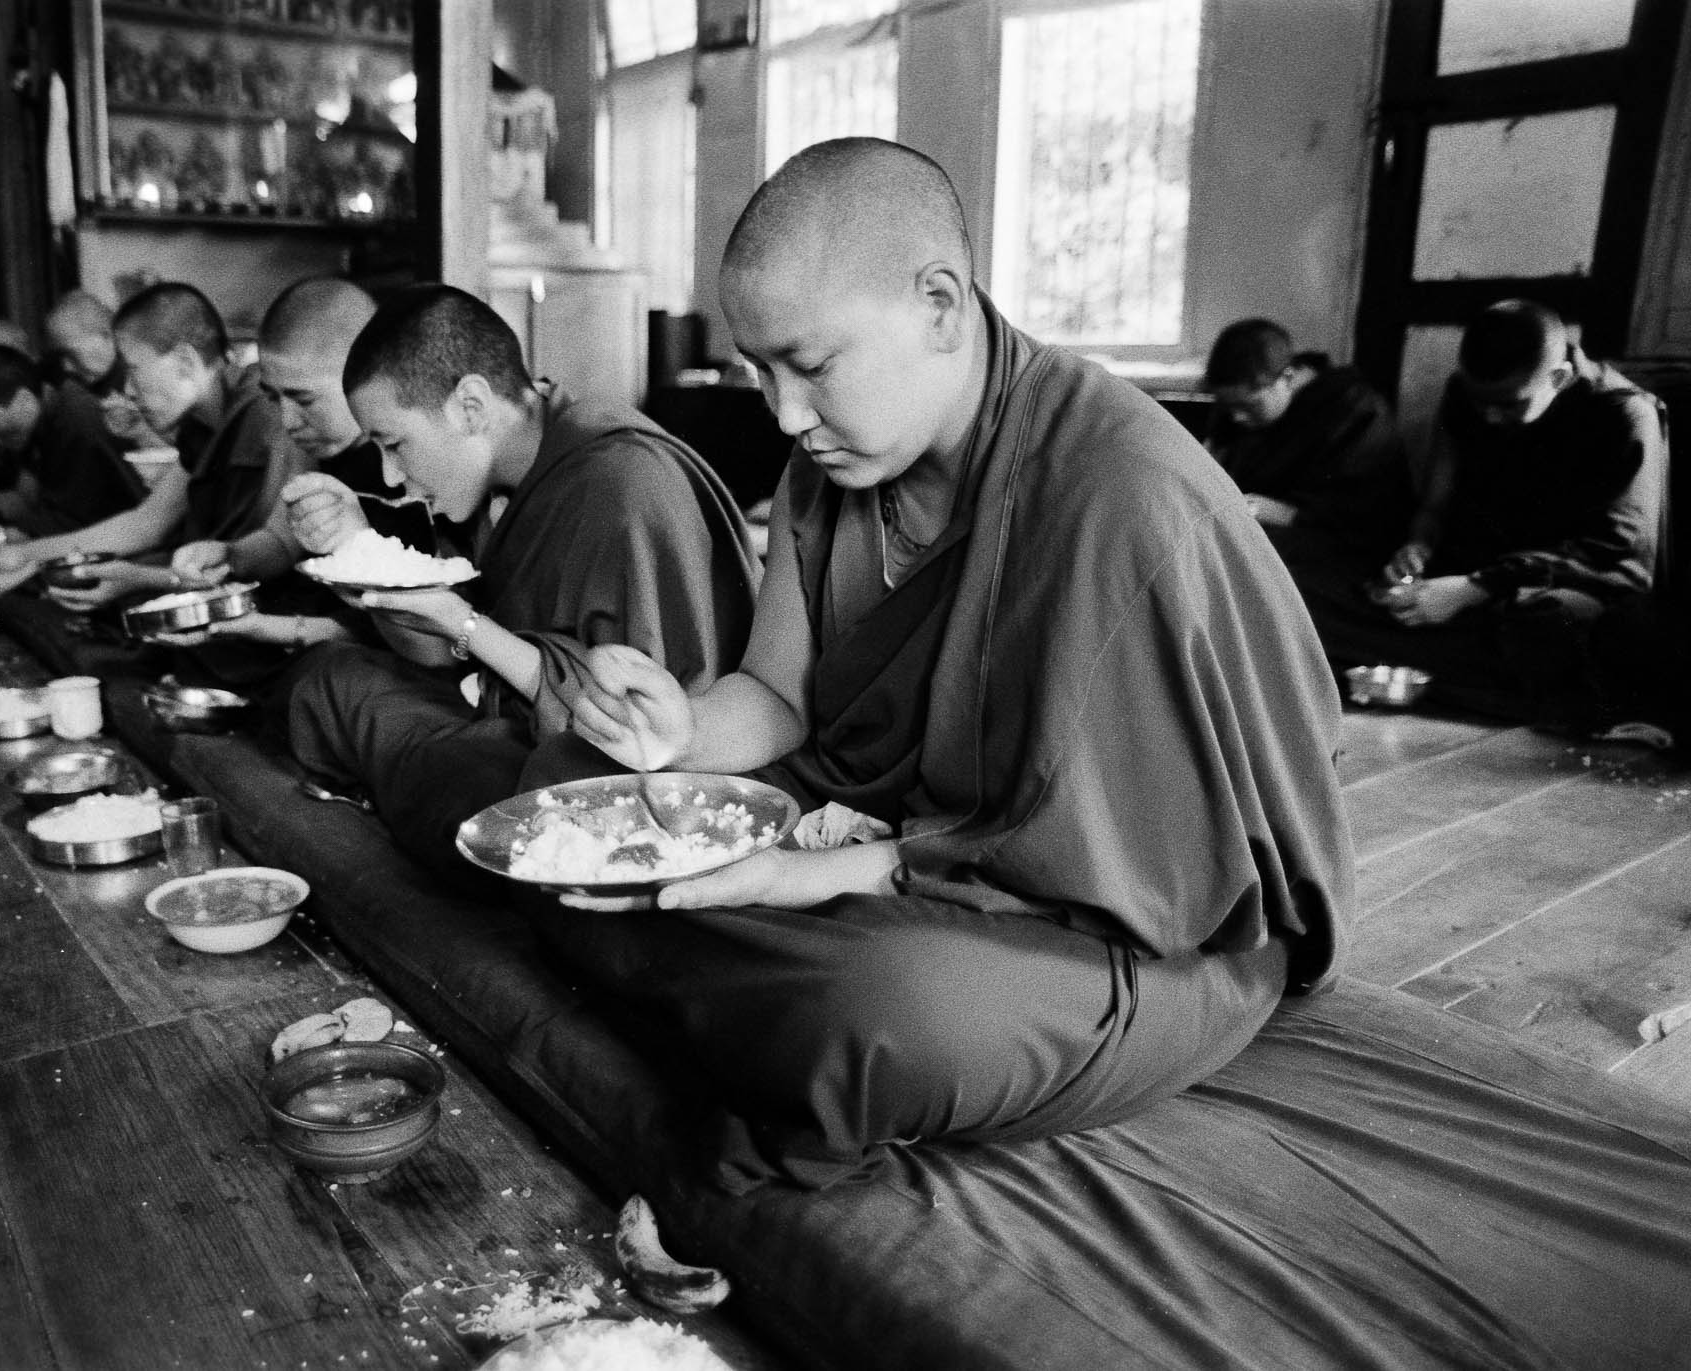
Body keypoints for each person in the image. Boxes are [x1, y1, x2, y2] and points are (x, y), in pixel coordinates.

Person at [550, 138, 1351, 1193]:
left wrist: (808, 876)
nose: (786, 416)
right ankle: (739, 979)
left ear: (937, 303)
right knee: (563, 793)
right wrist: (675, 737)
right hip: (890, 832)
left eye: (811, 366)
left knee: (872, 1016)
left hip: (1131, 924)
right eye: (759, 373)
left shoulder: (1117, 494)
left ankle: (753, 999)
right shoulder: (825, 466)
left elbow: (1129, 874)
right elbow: (777, 700)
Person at [285, 283, 760, 876]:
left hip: (621, 761)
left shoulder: (623, 484)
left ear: (470, 406)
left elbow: (638, 729)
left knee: (480, 791)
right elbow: (441, 656)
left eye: (395, 444)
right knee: (328, 678)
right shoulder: (491, 481)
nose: (390, 474)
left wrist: (458, 620)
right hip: (506, 715)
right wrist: (360, 552)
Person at [1296, 299, 1666, 723]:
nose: (1489, 417)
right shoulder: (1464, 395)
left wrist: (1474, 588)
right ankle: (1437, 665)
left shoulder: (1622, 413)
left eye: (1509, 405)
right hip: (1462, 574)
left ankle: (1412, 660)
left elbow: (1617, 552)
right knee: (1304, 581)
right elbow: (1436, 505)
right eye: (1479, 402)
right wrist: (1418, 547)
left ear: (1559, 378)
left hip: (1547, 583)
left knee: (1552, 625)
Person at [0, 281, 308, 608]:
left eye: (133, 369)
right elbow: (147, 522)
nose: (128, 389)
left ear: (186, 362)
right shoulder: (201, 427)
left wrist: (138, 578)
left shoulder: (264, 412)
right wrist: (24, 554)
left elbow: (256, 562)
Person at [161, 276, 445, 656]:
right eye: (274, 398)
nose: (288, 420)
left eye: (304, 400)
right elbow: (281, 540)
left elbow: (425, 634)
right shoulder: (318, 448)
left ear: (362, 371)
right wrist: (230, 556)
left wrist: (269, 629)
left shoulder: (413, 458)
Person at [1202, 318, 1409, 558]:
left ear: (1288, 378)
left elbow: (1359, 515)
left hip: (1336, 546)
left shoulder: (1357, 409)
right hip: (1253, 522)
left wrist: (1265, 509)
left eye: (1247, 406)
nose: (1236, 417)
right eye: (1228, 406)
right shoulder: (1238, 406)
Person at [0, 343, 145, 535]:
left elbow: (74, 524)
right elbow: (29, 502)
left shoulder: (77, 422)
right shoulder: (37, 427)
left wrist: (3, 538)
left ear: (24, 400)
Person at [41, 288, 166, 450]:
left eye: (71, 354)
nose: (66, 367)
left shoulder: (145, 376)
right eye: (61, 356)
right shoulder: (72, 387)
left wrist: (142, 433)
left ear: (106, 335)